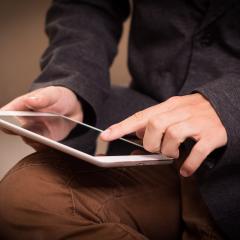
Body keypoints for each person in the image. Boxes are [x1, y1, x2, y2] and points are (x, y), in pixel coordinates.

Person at [0, 0, 239, 239]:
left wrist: (227, 105)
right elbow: (89, 5)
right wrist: (74, 83)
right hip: (149, 148)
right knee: (28, 197)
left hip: (231, 172)